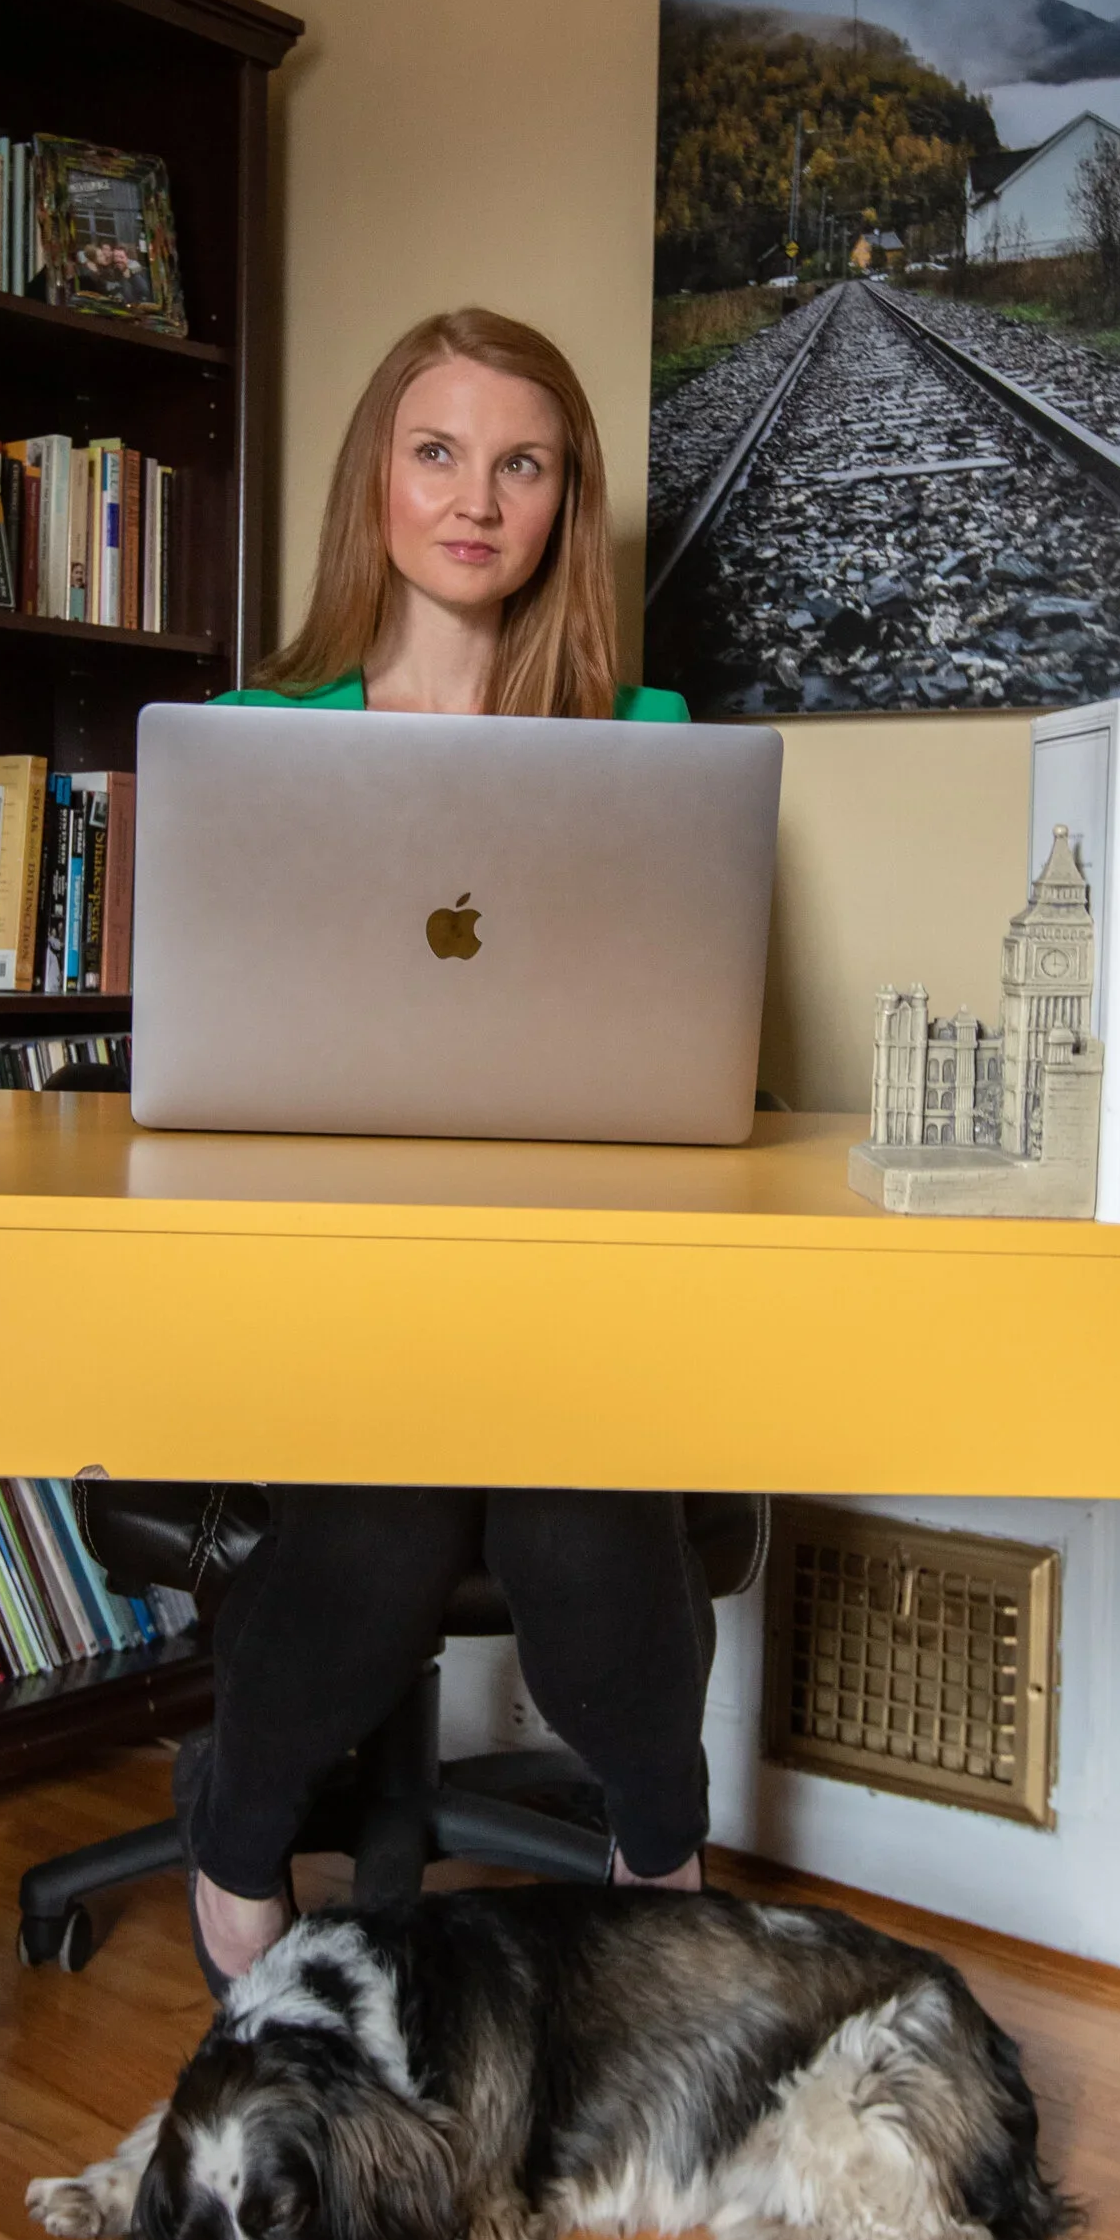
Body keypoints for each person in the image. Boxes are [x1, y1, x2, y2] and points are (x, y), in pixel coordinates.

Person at [185, 306, 716, 1989]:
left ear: (564, 501)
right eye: (438, 452)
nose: (476, 497)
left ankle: (660, 1850)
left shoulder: (646, 742)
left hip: (571, 1277)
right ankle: (239, 1830)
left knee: (575, 1511)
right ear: (378, 481)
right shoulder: (258, 739)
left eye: (522, 463)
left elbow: (691, 1055)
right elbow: (209, 1050)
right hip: (334, 1280)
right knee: (388, 1503)